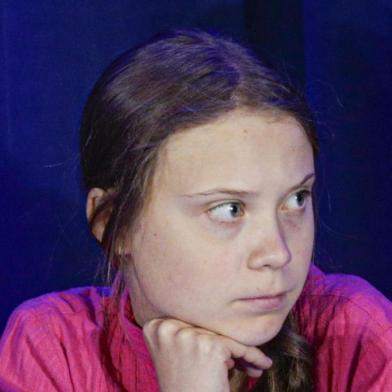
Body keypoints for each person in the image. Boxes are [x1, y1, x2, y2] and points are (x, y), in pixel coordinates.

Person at [0, 29, 391, 392]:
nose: (278, 253)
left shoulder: (359, 332)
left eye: (296, 200)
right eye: (229, 209)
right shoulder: (53, 347)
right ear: (111, 224)